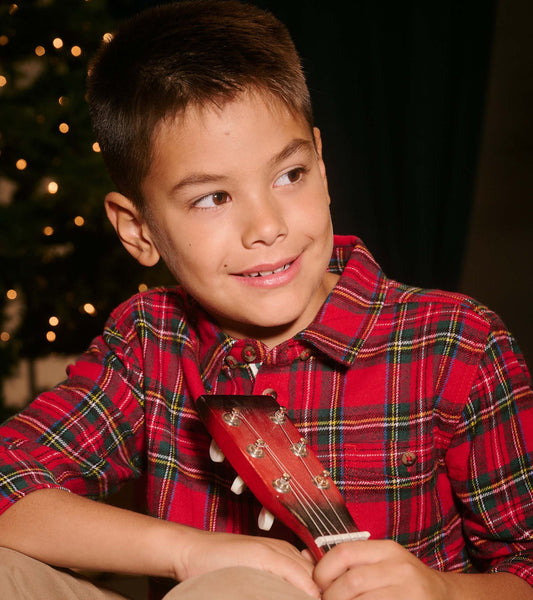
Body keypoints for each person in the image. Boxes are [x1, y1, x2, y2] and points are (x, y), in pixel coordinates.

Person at [0, 1, 532, 599]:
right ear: (138, 230)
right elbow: (9, 480)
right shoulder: (148, 340)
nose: (266, 226)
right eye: (212, 199)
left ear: (322, 164)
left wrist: (444, 592)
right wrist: (187, 552)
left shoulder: (457, 343)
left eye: (289, 175)